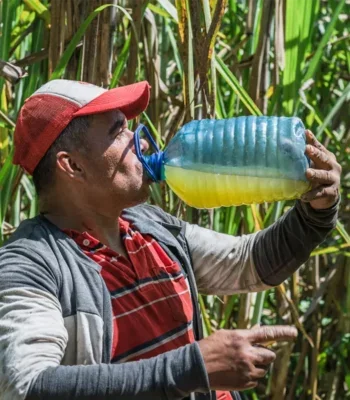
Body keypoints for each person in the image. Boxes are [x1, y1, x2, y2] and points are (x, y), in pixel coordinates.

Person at [0, 79, 341, 400]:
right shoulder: (30, 265)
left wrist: (315, 212)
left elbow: (246, 263)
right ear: (72, 165)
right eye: (118, 131)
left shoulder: (149, 226)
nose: (141, 142)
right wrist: (192, 367)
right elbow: (26, 386)